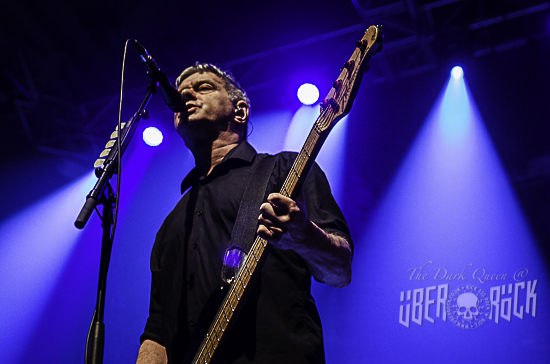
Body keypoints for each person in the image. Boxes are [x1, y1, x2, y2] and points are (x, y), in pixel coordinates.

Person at [136, 63, 353, 364]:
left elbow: (340, 270)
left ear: (240, 111)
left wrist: (305, 237)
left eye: (203, 88)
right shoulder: (172, 224)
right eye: (182, 92)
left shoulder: (283, 170)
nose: (186, 96)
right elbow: (157, 331)